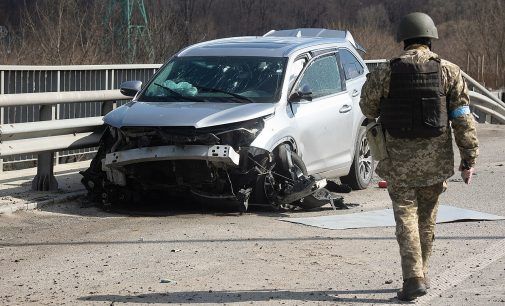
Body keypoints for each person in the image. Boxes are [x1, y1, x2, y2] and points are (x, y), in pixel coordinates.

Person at [359, 12, 479, 301]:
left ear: (403, 40)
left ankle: (413, 278)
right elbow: (463, 118)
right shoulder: (449, 71)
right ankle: (420, 274)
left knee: (406, 219)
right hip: (435, 162)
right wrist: (469, 159)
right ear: (430, 38)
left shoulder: (386, 71)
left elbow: (367, 108)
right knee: (426, 220)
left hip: (398, 163)